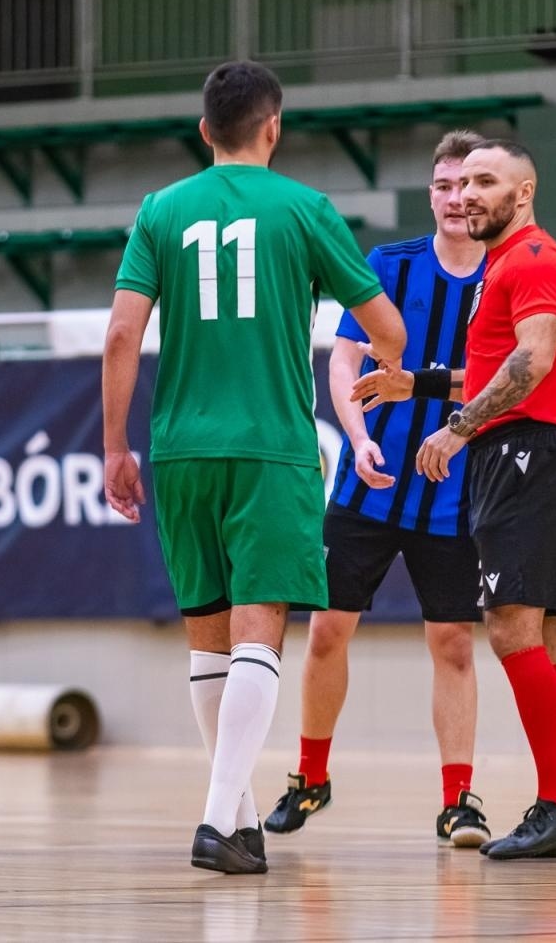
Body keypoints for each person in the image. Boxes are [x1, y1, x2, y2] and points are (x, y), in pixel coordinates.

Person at [102, 60, 406, 875]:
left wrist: (113, 445)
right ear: (274, 127)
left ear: (205, 131)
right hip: (269, 446)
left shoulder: (160, 209)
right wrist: (386, 363)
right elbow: (387, 327)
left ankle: (238, 819)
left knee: (208, 640)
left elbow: (122, 336)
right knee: (259, 632)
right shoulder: (305, 209)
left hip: (180, 448)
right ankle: (214, 819)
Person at [360, 140, 556, 860]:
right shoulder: (503, 266)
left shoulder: (533, 260)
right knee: (539, 636)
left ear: (523, 192)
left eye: (484, 182)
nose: (466, 195)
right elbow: (494, 366)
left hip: (523, 457)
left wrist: (458, 430)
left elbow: (533, 361)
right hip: (523, 456)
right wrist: (419, 388)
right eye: (459, 184)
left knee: (514, 629)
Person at [263, 129, 490, 847]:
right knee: (328, 630)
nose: (457, 198)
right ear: (430, 194)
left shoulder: (505, 275)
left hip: (454, 493)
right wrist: (359, 438)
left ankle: (460, 799)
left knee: (453, 642)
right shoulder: (387, 266)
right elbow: (343, 359)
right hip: (369, 486)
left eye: (470, 186)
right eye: (445, 186)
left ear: (491, 196)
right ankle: (310, 776)